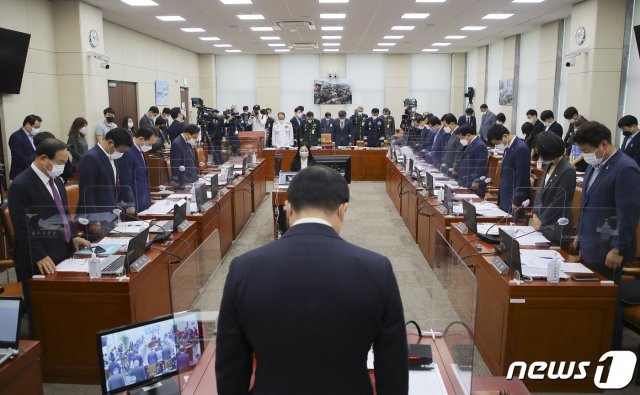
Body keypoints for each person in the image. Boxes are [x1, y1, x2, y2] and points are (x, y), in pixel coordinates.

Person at [216, 166, 409, 394]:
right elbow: (392, 365)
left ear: (287, 210)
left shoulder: (243, 269)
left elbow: (230, 366)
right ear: (343, 210)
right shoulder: (377, 269)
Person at [8, 138, 91, 335]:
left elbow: (63, 212)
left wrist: (72, 236)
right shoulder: (21, 185)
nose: (63, 167)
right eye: (60, 162)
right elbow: (22, 227)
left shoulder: (56, 181)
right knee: (43, 310)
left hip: (61, 248)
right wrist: (38, 255)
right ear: (44, 159)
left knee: (63, 305)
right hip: (38, 255)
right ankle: (43, 348)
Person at [573, 121, 640, 350]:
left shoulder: (626, 168)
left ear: (603, 144)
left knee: (608, 303)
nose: (585, 156)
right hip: (590, 242)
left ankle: (610, 352)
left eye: (586, 151)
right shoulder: (595, 165)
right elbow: (588, 203)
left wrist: (618, 248)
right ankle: (591, 345)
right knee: (591, 300)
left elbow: (628, 213)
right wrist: (579, 234)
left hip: (609, 249)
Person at [532, 132, 576, 247]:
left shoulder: (568, 170)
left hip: (555, 227)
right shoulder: (550, 164)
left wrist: (541, 220)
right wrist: (535, 214)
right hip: (541, 223)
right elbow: (540, 192)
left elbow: (559, 201)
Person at [78, 128, 134, 215]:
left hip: (109, 213)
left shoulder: (111, 156)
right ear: (110, 143)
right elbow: (86, 192)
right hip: (96, 215)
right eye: (121, 150)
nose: (122, 154)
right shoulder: (90, 158)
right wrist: (93, 220)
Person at [487, 125, 530, 215]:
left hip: (513, 198)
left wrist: (517, 200)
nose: (498, 146)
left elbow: (522, 177)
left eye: (498, 143)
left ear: (505, 136)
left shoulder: (521, 148)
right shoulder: (509, 148)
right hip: (505, 195)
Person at [119, 128, 158, 213]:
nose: (150, 147)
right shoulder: (128, 152)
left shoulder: (139, 150)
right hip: (135, 201)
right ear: (141, 139)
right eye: (150, 144)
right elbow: (125, 181)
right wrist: (129, 203)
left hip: (143, 199)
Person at [9, 114, 42, 180]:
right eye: (35, 127)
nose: (37, 130)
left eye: (39, 127)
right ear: (27, 125)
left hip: (34, 172)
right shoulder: (16, 137)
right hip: (22, 174)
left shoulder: (35, 136)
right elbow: (20, 158)